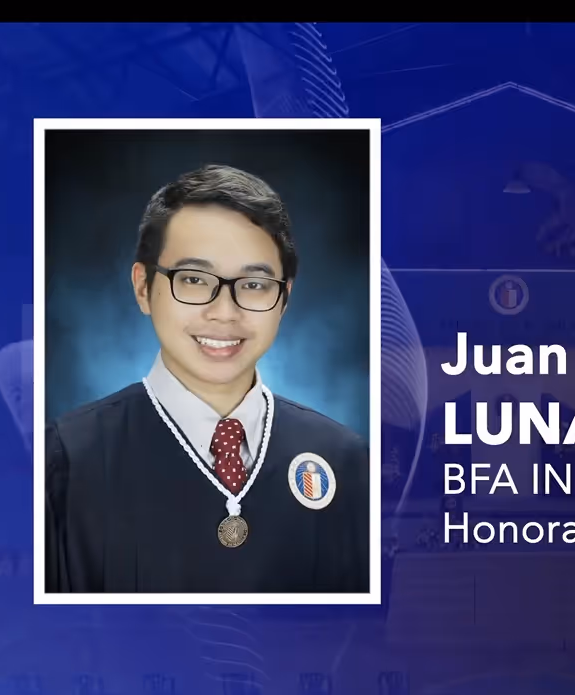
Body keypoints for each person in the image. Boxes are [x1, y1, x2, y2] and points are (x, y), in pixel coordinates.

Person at [45, 164, 369, 594]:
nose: (224, 312)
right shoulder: (69, 458)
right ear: (143, 287)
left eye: (254, 284)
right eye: (194, 279)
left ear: (284, 299)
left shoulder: (340, 457)